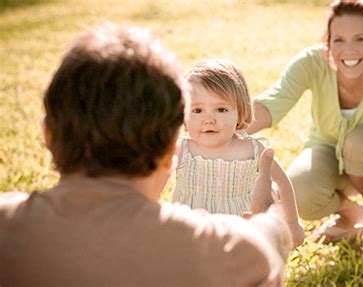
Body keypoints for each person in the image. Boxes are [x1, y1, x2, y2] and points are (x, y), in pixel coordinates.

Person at [0, 24, 293, 286]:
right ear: (171, 150)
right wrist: (272, 220)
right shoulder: (224, 250)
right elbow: (265, 247)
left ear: (47, 135)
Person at [247, 0, 363, 259]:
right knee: (298, 191)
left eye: (360, 39)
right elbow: (275, 101)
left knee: (361, 141)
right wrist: (226, 127)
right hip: (329, 151)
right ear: (328, 43)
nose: (348, 50)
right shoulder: (312, 62)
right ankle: (351, 214)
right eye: (338, 40)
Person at [170, 59, 305, 248]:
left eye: (221, 109)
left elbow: (282, 182)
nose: (209, 119)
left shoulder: (252, 150)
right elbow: (151, 180)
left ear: (240, 112)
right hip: (192, 228)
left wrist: (292, 224)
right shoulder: (182, 150)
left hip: (242, 227)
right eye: (198, 110)